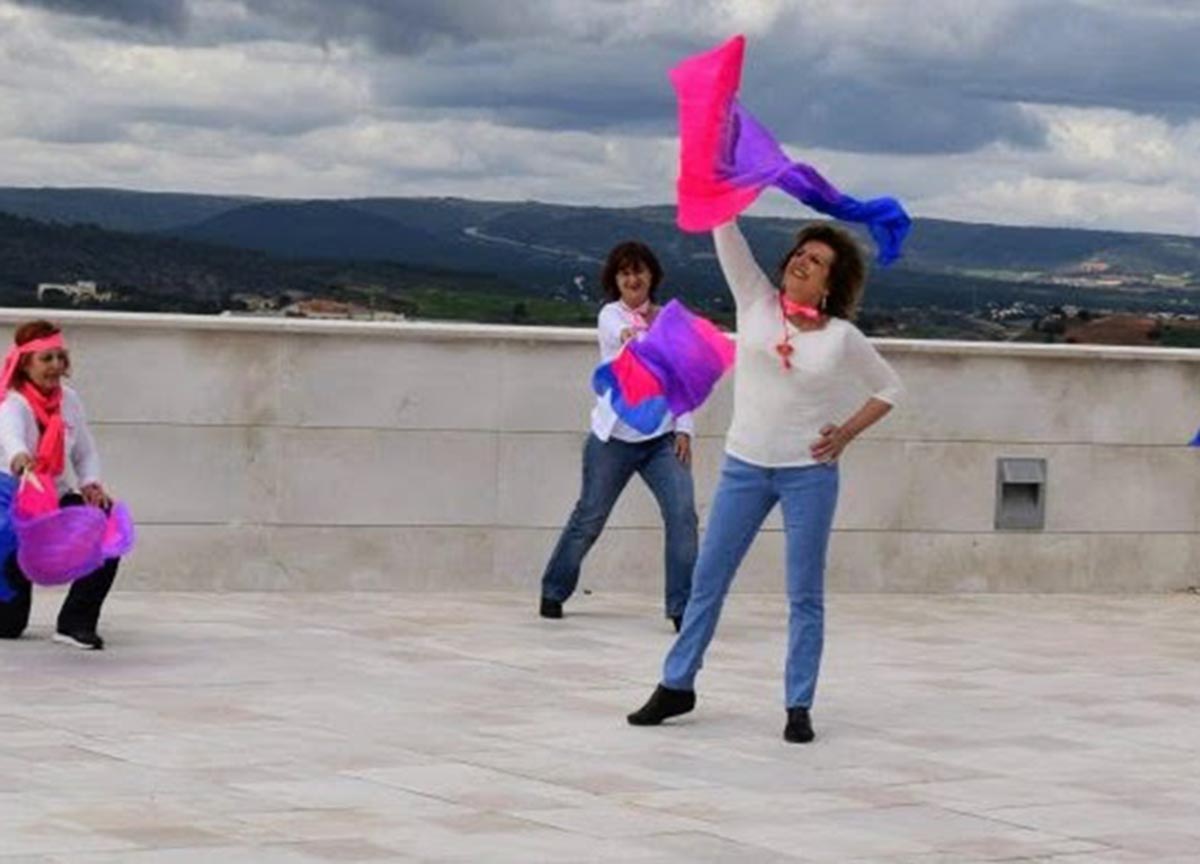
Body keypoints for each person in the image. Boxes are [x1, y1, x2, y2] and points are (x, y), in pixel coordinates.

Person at [627, 219, 902, 742]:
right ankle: (676, 683)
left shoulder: (842, 338)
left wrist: (844, 433)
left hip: (809, 476)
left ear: (830, 284)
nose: (802, 261)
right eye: (800, 252)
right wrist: (723, 171)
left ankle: (798, 704)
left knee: (804, 593)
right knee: (707, 580)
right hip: (743, 467)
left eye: (817, 261)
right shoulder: (754, 300)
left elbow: (890, 388)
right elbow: (725, 231)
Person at [540, 241, 699, 631]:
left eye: (639, 271)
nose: (633, 278)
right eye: (625, 272)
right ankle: (553, 589)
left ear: (651, 277)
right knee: (589, 517)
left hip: (660, 440)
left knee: (682, 515)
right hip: (613, 440)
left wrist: (684, 429)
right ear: (616, 280)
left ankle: (682, 608)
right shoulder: (610, 315)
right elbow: (626, 336)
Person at [0, 320, 120, 650]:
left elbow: (84, 450)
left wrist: (91, 483)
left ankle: (75, 623)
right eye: (46, 359)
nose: (56, 366)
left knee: (106, 521)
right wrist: (22, 457)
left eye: (60, 358)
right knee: (7, 626)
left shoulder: (69, 400)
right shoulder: (13, 403)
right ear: (26, 363)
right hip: (12, 503)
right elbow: (9, 435)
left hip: (53, 496)